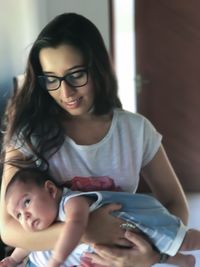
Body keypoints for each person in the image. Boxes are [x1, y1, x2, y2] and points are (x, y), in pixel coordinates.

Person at [0, 12, 190, 267]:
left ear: (97, 68)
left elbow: (175, 203)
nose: (65, 92)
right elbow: (9, 230)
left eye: (76, 75)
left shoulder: (135, 130)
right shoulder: (30, 134)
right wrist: (87, 230)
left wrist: (153, 254)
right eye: (52, 80)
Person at [0, 168, 198, 267]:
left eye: (26, 203)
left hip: (127, 230)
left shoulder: (71, 202)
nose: (24, 216)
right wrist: (13, 259)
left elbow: (77, 225)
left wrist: (57, 258)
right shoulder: (41, 223)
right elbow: (28, 244)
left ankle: (180, 256)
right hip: (38, 263)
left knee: (181, 239)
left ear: (51, 190)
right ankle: (181, 260)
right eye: (17, 215)